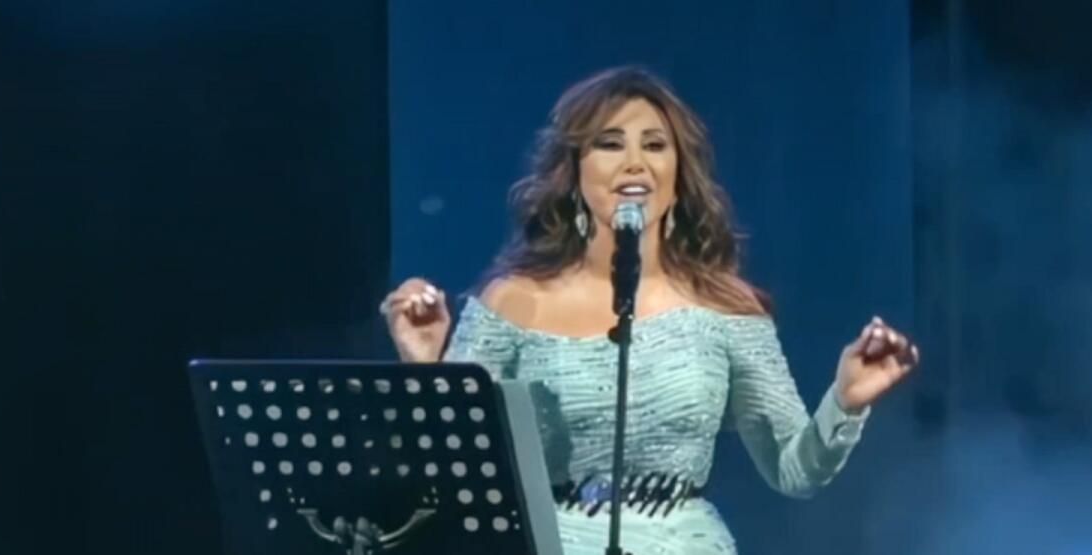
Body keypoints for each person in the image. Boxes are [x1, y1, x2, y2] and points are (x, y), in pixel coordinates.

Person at [380, 66, 918, 555]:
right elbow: (452, 477)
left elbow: (794, 470)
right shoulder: (512, 301)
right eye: (610, 144)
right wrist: (425, 368)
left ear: (678, 173)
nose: (635, 162)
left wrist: (845, 403)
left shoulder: (728, 308)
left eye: (655, 145)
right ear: (575, 170)